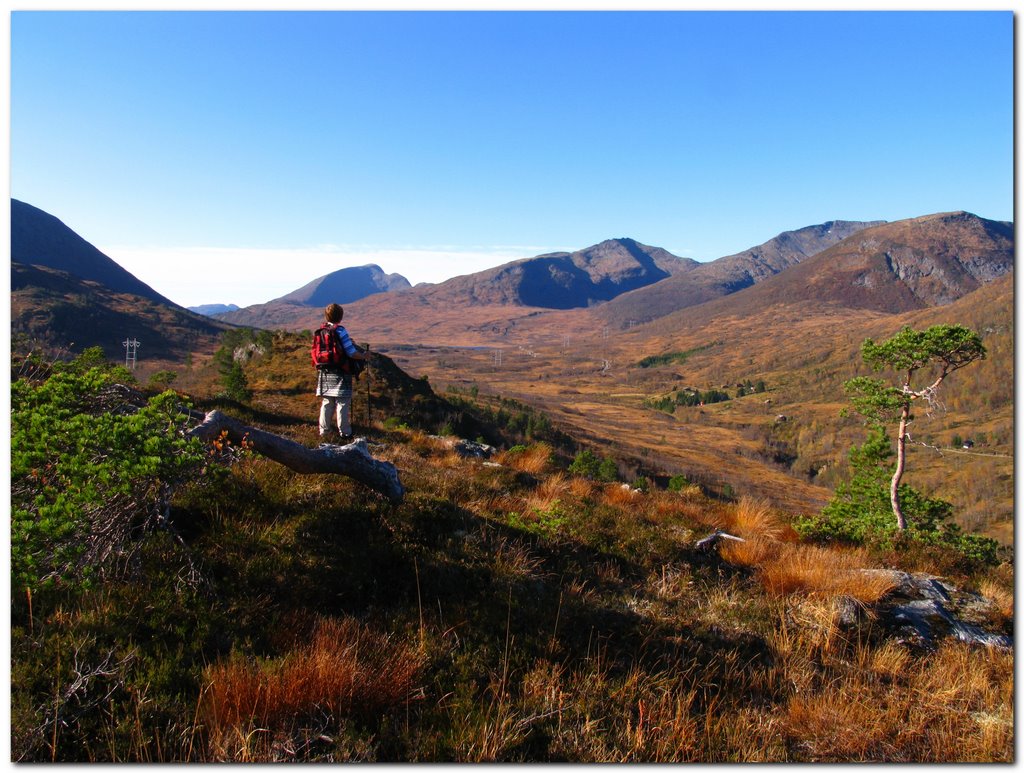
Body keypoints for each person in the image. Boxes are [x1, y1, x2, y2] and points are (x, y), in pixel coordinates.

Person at [316, 303, 368, 442]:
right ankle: (345, 433)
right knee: (342, 402)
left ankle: (324, 432)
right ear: (340, 316)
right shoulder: (340, 331)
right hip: (341, 372)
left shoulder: (321, 331)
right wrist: (364, 356)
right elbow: (351, 352)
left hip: (325, 372)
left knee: (327, 402)